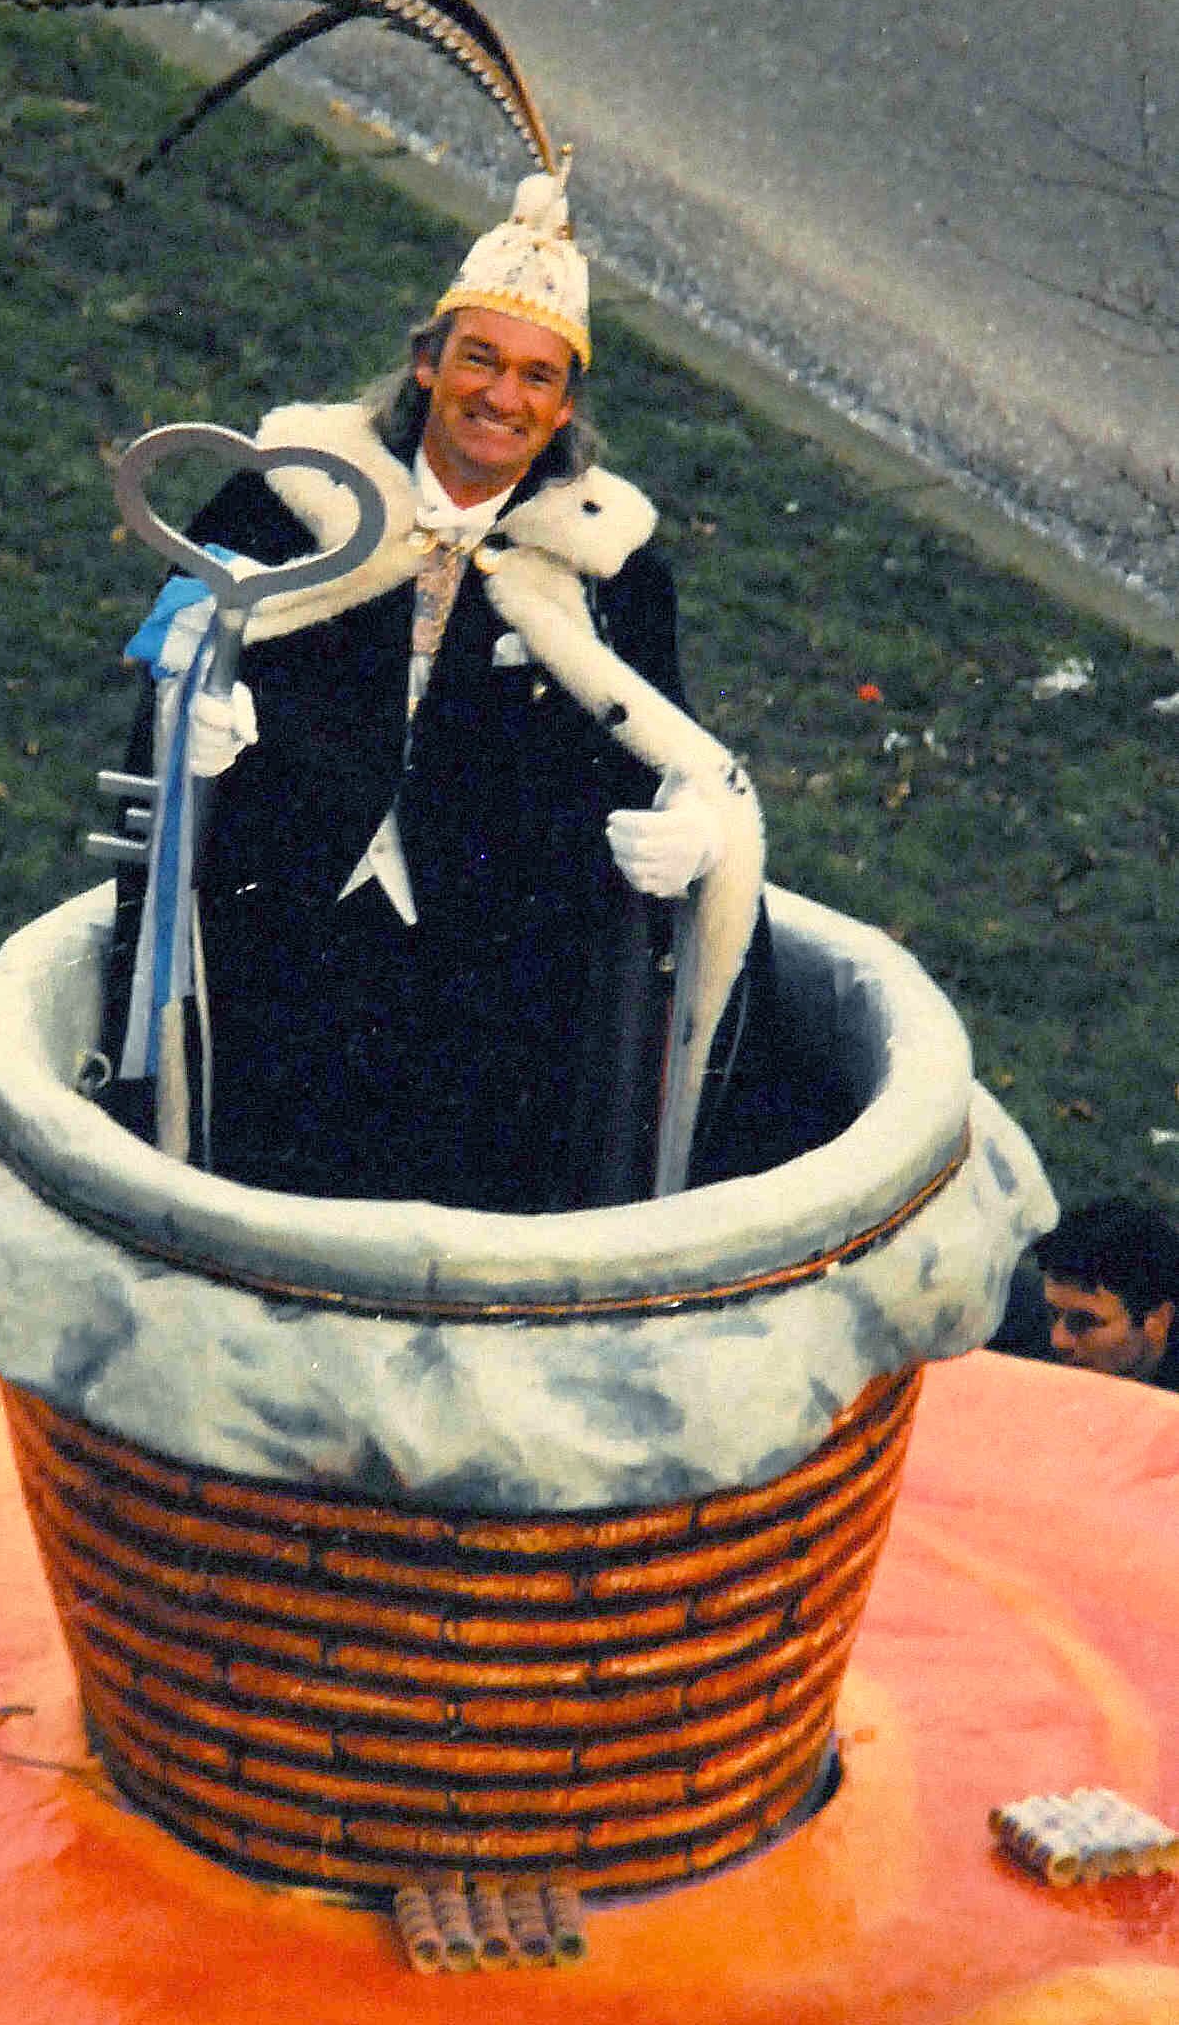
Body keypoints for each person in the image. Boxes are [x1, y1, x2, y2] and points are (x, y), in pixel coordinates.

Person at [96, 169, 845, 1209]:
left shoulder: (608, 568)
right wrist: (195, 715)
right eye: (480, 359)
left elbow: (660, 748)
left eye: (537, 376)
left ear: (564, 405)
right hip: (276, 943)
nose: (502, 397)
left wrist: (697, 833)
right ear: (427, 362)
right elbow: (177, 644)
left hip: (483, 993)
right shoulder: (290, 492)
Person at [1016, 1199, 1179, 1391]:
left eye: (1083, 1322)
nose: (1058, 1341)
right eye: (1052, 1314)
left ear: (1158, 1321)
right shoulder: (1018, 1336)